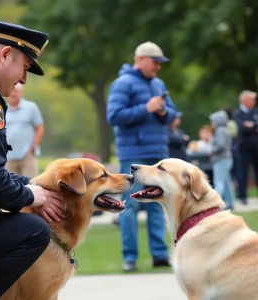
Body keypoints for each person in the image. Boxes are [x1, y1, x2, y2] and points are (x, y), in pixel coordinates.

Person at [0, 19, 66, 299]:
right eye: (25, 67)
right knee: (33, 230)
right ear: (5, 55)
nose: (23, 79)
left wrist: (37, 185)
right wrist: (29, 195)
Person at [107, 41, 176, 272]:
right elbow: (114, 115)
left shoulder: (159, 84)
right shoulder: (122, 83)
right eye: (155, 62)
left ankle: (159, 255)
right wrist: (145, 108)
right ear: (141, 59)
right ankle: (130, 257)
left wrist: (163, 110)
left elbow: (172, 114)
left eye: (160, 63)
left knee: (158, 204)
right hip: (132, 154)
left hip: (158, 155)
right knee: (129, 206)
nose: (158, 67)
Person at [233, 90, 258, 204]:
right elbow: (242, 128)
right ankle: (243, 196)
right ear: (245, 100)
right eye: (252, 99)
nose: (254, 102)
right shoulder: (238, 113)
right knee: (243, 171)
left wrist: (252, 125)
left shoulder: (257, 111)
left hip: (257, 146)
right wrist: (257, 125)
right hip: (244, 147)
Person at [6, 83, 44, 177]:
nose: (13, 94)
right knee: (10, 186)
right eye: (12, 91)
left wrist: (32, 148)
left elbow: (39, 128)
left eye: (16, 91)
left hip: (27, 154)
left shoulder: (31, 107)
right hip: (8, 156)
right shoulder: (3, 109)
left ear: (21, 92)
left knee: (30, 184)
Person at [209, 111, 235, 210]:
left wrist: (212, 151)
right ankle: (231, 203)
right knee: (227, 182)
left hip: (221, 159)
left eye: (213, 121)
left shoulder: (220, 131)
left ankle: (214, 204)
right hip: (227, 159)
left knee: (218, 182)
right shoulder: (225, 130)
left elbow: (220, 145)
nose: (212, 124)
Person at [223, 107, 241, 198]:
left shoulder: (230, 124)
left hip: (231, 151)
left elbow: (232, 134)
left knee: (234, 173)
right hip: (231, 152)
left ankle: (238, 192)